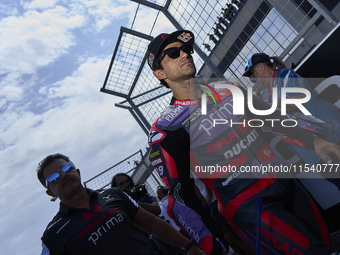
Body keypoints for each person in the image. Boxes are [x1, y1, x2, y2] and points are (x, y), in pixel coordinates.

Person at [146, 29, 340, 254]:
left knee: (330, 247)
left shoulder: (228, 89)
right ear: (159, 73)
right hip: (250, 207)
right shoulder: (166, 128)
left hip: (288, 184)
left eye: (187, 49)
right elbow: (182, 197)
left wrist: (315, 140)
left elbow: (273, 119)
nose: (184, 54)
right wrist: (210, 244)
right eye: (173, 53)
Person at [37, 153, 205, 255]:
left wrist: (189, 246)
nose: (63, 175)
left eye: (66, 168)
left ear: (77, 172)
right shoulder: (52, 236)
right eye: (53, 178)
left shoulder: (114, 194)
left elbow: (152, 223)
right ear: (50, 192)